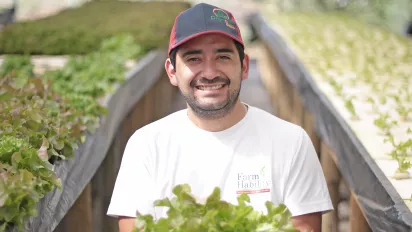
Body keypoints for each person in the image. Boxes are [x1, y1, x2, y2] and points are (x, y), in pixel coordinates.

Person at [107, 2, 333, 232]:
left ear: (244, 66)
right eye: (194, 59)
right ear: (172, 71)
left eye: (223, 57)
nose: (210, 72)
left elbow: (305, 228)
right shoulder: (146, 145)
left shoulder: (291, 142)